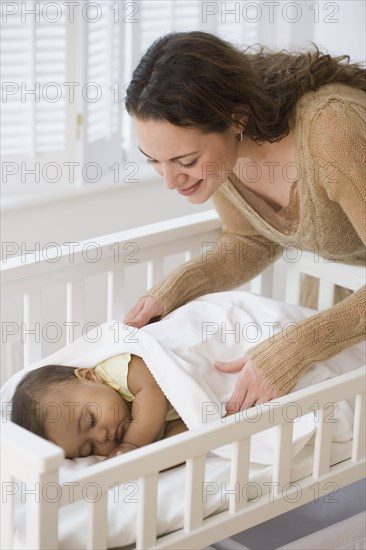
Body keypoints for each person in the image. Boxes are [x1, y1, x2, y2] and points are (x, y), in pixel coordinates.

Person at [123, 31, 366, 412]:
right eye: (154, 160)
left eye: (185, 162)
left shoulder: (332, 133)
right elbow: (251, 238)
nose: (171, 181)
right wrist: (174, 290)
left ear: (237, 118)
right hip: (343, 285)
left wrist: (295, 347)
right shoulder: (226, 158)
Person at [11, 353, 187, 459]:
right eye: (90, 448)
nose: (101, 437)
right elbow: (186, 427)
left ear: (89, 377)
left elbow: (153, 389)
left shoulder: (116, 371)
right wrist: (158, 461)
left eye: (91, 420)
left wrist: (131, 445)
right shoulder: (146, 431)